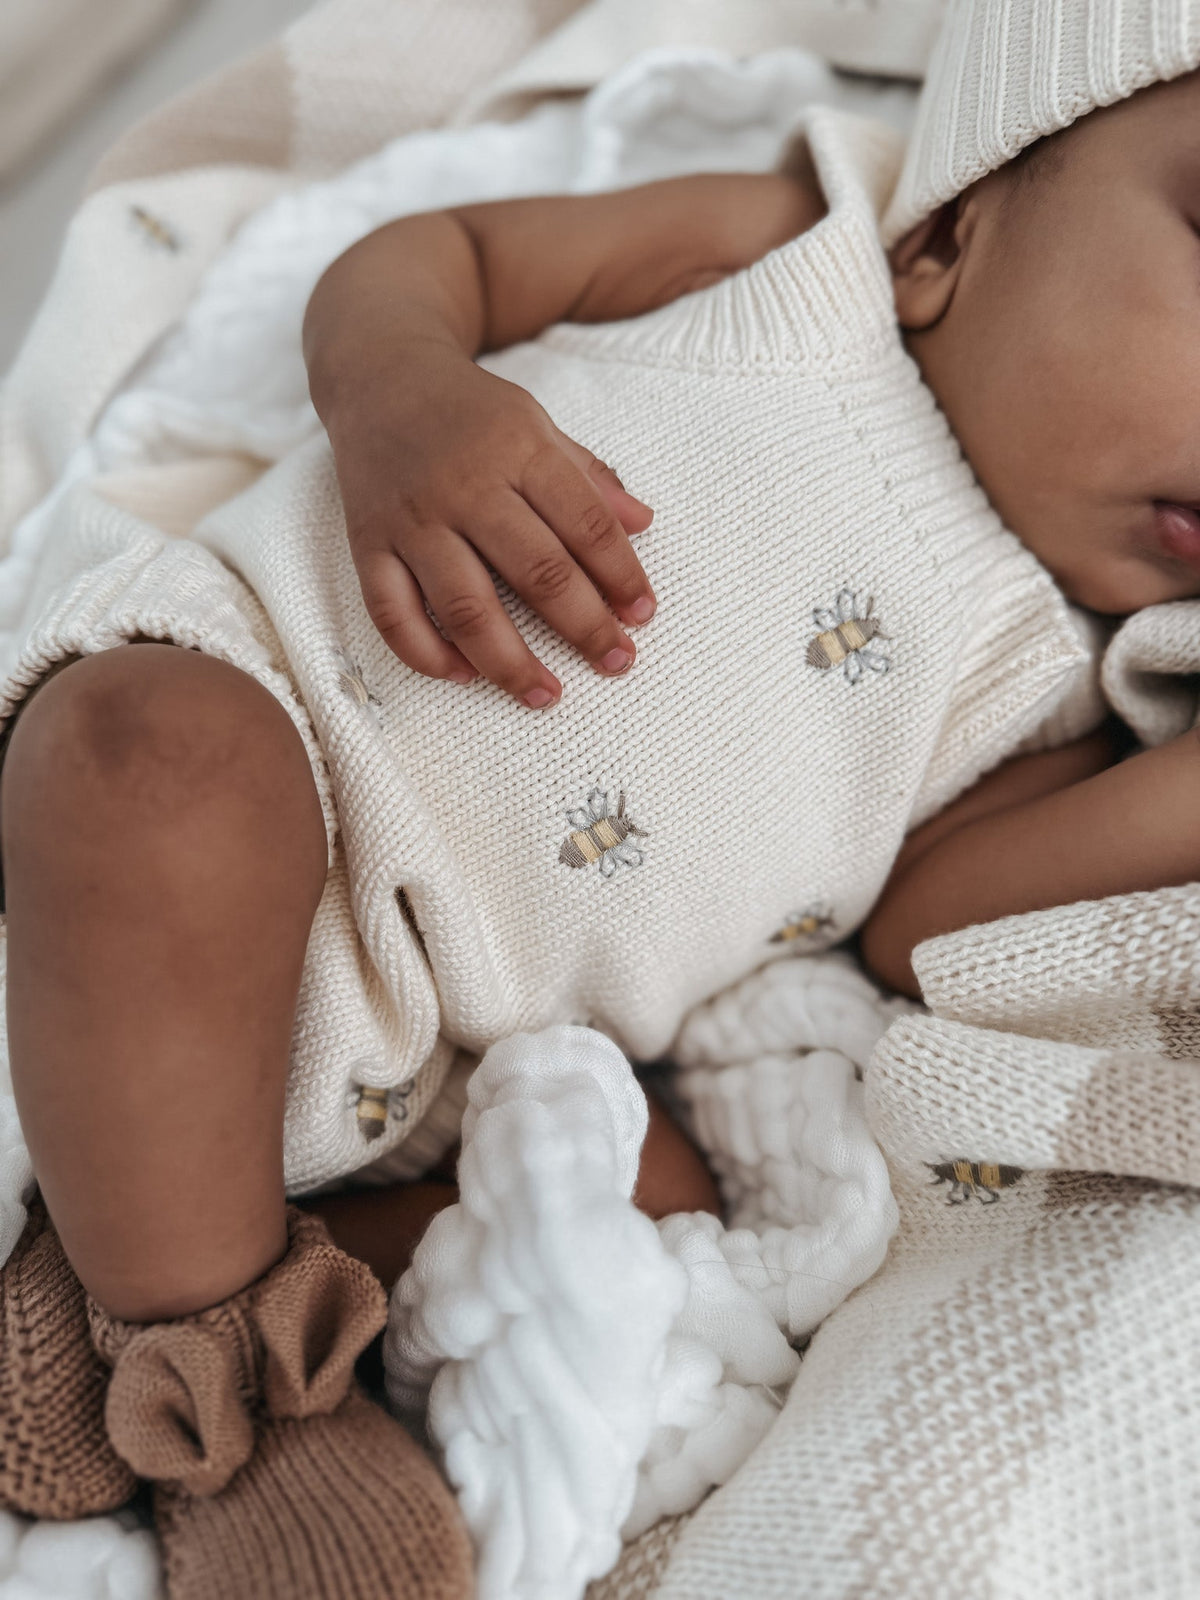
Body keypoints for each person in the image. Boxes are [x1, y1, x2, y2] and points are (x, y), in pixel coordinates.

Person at [2, 1, 1199, 1595]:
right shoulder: (798, 251)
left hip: (438, 1076)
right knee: (146, 755)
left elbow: (932, 925)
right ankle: (217, 1380)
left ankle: (145, 1283)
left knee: (650, 1211)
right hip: (271, 746)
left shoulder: (1058, 685)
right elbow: (446, 259)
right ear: (957, 227)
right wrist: (402, 389)